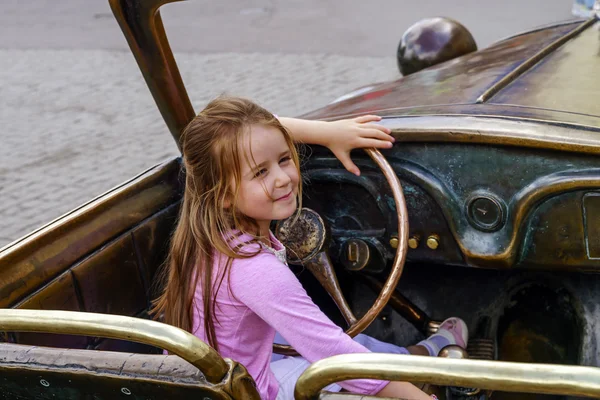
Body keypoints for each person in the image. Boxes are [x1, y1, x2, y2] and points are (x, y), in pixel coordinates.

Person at [152, 96, 468, 400]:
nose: (283, 179)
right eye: (261, 172)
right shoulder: (258, 271)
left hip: (224, 382)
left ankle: (415, 356)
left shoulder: (205, 235)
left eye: (284, 159)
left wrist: (328, 133)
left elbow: (256, 132)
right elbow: (335, 355)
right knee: (332, 348)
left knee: (318, 335)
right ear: (222, 194)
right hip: (256, 391)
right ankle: (423, 362)